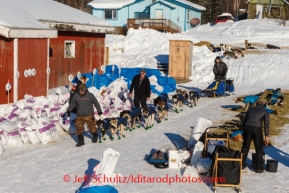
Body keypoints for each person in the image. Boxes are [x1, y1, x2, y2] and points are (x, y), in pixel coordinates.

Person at [241, 99, 270, 173]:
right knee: (259, 148)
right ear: (263, 104)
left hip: (247, 128)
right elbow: (266, 125)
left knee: (245, 146)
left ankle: (241, 164)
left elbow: (244, 121)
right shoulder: (265, 111)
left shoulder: (250, 109)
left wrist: (243, 131)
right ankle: (259, 168)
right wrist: (266, 136)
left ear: (256, 103)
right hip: (257, 128)